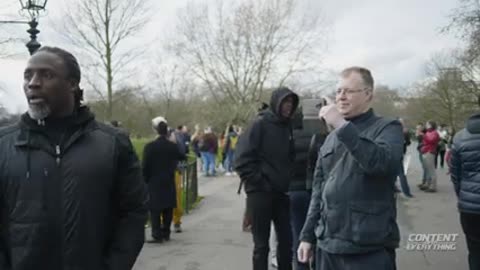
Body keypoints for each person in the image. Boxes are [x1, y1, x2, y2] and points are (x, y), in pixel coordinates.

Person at [0, 46, 148, 269]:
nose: (33, 83)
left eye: (46, 75)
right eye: (28, 75)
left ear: (72, 84)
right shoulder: (4, 145)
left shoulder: (113, 143)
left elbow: (133, 212)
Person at [298, 67, 403, 270]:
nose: (341, 97)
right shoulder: (330, 138)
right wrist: (307, 235)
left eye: (348, 91)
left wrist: (341, 124)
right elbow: (319, 191)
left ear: (368, 94)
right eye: (338, 91)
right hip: (327, 245)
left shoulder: (388, 127)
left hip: (367, 249)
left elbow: (381, 163)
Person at [235, 87, 299, 270]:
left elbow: (289, 156)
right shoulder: (259, 124)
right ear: (276, 103)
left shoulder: (288, 126)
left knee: (287, 242)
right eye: (285, 102)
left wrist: (288, 177)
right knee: (261, 245)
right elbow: (242, 160)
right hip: (260, 194)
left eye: (291, 103)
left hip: (282, 192)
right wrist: (260, 182)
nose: (288, 106)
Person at [288, 99, 328, 270]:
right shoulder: (324, 136)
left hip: (294, 191)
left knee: (299, 237)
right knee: (321, 235)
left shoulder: (289, 136)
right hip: (318, 192)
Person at [143, 117, 186, 243]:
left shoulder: (150, 147)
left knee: (155, 208)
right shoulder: (171, 146)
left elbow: (145, 165)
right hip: (168, 179)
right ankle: (166, 232)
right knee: (168, 206)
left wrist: (145, 179)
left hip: (154, 180)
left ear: (156, 131)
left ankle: (156, 234)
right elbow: (182, 156)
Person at [450, 96, 480, 270]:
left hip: (470, 208)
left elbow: (455, 175)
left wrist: (463, 197)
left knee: (475, 252)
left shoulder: (461, 136)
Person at [418, 121, 440, 192]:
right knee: (427, 169)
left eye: (427, 124)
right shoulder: (428, 132)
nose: (426, 125)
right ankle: (428, 184)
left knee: (431, 170)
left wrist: (423, 136)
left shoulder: (434, 133)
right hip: (426, 151)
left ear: (431, 125)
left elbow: (431, 140)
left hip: (430, 151)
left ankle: (433, 187)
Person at [397, 118, 413, 198]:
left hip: (400, 153)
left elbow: (408, 142)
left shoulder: (404, 132)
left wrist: (405, 140)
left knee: (398, 173)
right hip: (397, 153)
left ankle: (402, 190)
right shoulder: (399, 131)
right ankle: (406, 192)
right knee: (401, 173)